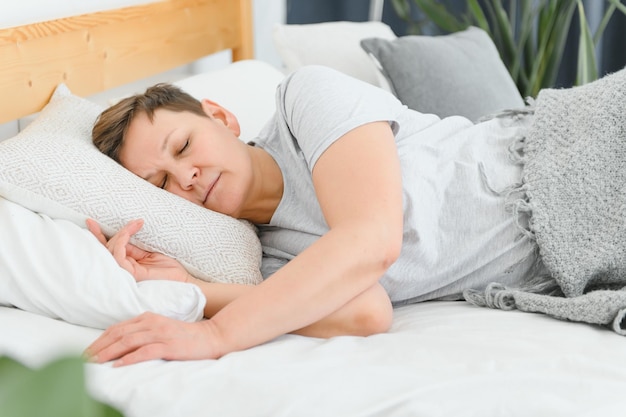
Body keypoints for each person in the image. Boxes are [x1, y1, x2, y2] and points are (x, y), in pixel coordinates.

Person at [85, 65, 541, 366]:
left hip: (555, 159)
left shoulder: (305, 101)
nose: (186, 177)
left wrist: (216, 335)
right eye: (161, 184)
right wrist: (192, 289)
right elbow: (367, 313)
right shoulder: (271, 264)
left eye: (183, 147)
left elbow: (374, 240)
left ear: (221, 117)